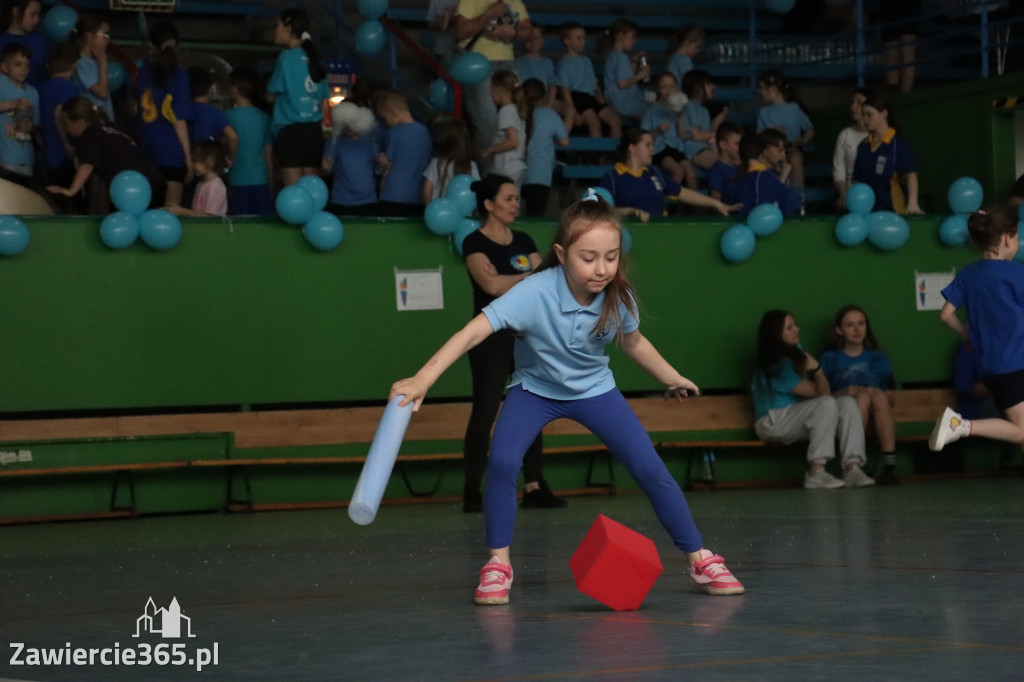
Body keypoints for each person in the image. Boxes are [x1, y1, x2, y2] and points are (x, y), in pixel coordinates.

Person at [390, 193, 744, 604]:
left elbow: (633, 343)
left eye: (611, 257)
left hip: (595, 391)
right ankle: (497, 565)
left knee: (651, 468)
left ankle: (700, 558)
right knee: (503, 461)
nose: (602, 269)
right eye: (589, 258)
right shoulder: (533, 291)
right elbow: (473, 332)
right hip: (534, 390)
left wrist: (672, 376)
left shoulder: (618, 295)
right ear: (561, 253)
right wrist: (422, 379)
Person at [456, 174, 567, 513]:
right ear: (488, 204)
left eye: (516, 198)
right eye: (507, 199)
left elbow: (546, 280)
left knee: (532, 407)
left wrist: (512, 280)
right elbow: (489, 286)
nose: (514, 204)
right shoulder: (474, 242)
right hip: (490, 337)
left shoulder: (523, 238)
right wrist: (524, 278)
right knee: (486, 409)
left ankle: (534, 486)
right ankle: (472, 491)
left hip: (525, 336)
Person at [930, 206, 1024, 452]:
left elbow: (946, 315)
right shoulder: (1018, 274)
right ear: (1006, 237)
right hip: (1015, 365)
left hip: (990, 368)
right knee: (1021, 430)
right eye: (1016, 237)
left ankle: (960, 426)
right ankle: (959, 426)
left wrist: (967, 335)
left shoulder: (968, 275)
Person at [751, 309, 874, 489]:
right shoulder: (776, 365)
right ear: (776, 334)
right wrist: (817, 369)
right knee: (826, 403)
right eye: (789, 327)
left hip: (796, 417)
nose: (797, 329)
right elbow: (821, 395)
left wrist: (821, 375)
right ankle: (816, 472)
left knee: (847, 403)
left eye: (795, 325)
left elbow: (822, 395)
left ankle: (853, 468)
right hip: (771, 422)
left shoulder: (796, 351)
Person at [820, 305, 898, 485]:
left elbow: (890, 398)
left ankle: (889, 466)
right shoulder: (829, 358)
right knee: (860, 398)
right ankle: (853, 465)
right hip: (843, 420)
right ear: (839, 330)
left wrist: (873, 392)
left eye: (861, 324)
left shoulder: (877, 358)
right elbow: (822, 399)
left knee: (875, 397)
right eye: (850, 325)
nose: (857, 330)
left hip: (878, 418)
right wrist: (846, 392)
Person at [46, 95, 165, 210]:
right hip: (153, 183)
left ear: (80, 123)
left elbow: (86, 166)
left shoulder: (90, 136)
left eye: (66, 124)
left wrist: (70, 191)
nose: (65, 128)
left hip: (139, 189)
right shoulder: (105, 130)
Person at [599, 127, 737, 222]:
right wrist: (628, 211)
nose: (652, 150)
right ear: (632, 148)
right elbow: (601, 211)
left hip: (659, 232)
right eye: (648, 145)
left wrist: (716, 203)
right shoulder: (613, 177)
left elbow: (682, 193)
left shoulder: (655, 173)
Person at [454, 0, 532, 158]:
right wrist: (489, 14)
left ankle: (510, 170)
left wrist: (512, 33)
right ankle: (485, 175)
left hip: (508, 61)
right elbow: (460, 32)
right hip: (478, 63)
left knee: (519, 116)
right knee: (487, 122)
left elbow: (529, 31)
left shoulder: (515, 2)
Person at [267, 8, 328, 187]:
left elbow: (271, 94)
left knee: (295, 193)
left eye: (277, 26)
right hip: (314, 132)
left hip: (291, 131)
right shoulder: (315, 58)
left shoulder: (285, 57)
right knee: (312, 190)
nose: (275, 31)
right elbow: (324, 98)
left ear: (288, 28)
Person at [135, 20, 192, 208]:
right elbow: (179, 119)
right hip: (171, 153)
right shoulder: (179, 76)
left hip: (146, 152)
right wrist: (188, 158)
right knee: (170, 214)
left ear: (151, 45)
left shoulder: (142, 73)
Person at [852, 91, 923, 215]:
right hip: (867, 215)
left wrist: (913, 203)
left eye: (869, 115)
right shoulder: (863, 146)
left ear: (883, 114)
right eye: (863, 115)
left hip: (893, 214)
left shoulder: (898, 144)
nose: (865, 120)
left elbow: (911, 175)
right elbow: (857, 181)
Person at [756, 69, 813, 202]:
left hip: (791, 148)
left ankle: (799, 198)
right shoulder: (763, 112)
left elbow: (810, 130)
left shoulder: (793, 108)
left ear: (774, 88)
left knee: (795, 158)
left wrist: (803, 141)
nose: (760, 92)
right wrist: (772, 133)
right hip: (771, 151)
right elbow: (759, 136)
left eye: (762, 88)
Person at [224, 66, 273, 216]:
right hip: (261, 180)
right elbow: (268, 156)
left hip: (236, 180)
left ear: (235, 89)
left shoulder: (226, 117)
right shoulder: (264, 117)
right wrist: (271, 185)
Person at [556, 22, 619, 138]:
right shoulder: (564, 62)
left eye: (584, 38)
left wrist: (599, 94)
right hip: (577, 97)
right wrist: (572, 108)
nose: (583, 42)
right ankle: (594, 155)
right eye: (579, 38)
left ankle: (615, 154)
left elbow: (593, 82)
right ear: (567, 41)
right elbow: (564, 88)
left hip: (590, 97)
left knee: (615, 120)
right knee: (595, 124)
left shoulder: (586, 60)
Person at [375, 90, 431, 216]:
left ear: (394, 113)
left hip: (393, 193)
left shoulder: (393, 133)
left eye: (385, 117)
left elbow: (389, 164)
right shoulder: (424, 131)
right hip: (417, 193)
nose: (385, 121)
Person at [520, 77, 567, 217]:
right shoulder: (549, 114)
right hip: (540, 175)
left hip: (516, 172)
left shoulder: (517, 113)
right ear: (544, 96)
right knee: (535, 221)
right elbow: (565, 141)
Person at [324, 101, 378, 216]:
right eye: (344, 124)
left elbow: (378, 166)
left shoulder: (371, 140)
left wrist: (382, 161)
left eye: (351, 122)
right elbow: (326, 169)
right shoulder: (334, 141)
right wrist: (326, 167)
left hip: (369, 201)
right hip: (341, 201)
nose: (348, 127)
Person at [39, 41, 80, 189]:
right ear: (73, 64)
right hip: (64, 155)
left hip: (48, 154)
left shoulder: (44, 88)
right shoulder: (70, 87)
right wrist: (67, 144)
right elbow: (59, 113)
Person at [640, 72, 690, 190]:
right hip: (660, 151)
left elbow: (683, 136)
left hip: (677, 149)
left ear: (676, 89)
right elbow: (643, 137)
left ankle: (691, 207)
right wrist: (658, 130)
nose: (668, 90)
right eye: (664, 87)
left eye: (671, 86)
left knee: (691, 175)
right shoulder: (651, 111)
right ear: (658, 89)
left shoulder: (679, 111)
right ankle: (667, 205)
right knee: (678, 172)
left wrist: (680, 118)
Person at [735, 130, 800, 219]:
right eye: (779, 151)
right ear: (764, 151)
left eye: (785, 151)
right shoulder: (756, 176)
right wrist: (783, 176)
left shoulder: (774, 174)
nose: (783, 155)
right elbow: (768, 206)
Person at [680, 69, 727, 189]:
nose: (713, 86)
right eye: (708, 83)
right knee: (723, 165)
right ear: (697, 87)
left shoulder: (703, 110)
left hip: (705, 148)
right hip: (694, 151)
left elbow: (707, 133)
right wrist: (717, 134)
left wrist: (718, 120)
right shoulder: (689, 107)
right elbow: (696, 135)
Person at [479, 70, 526, 189]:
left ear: (498, 89)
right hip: (516, 166)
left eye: (492, 90)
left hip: (506, 167)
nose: (490, 94)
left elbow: (513, 141)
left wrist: (489, 150)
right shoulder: (516, 110)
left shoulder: (506, 111)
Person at [0, 42, 38, 176]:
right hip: (5, 159)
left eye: (27, 65)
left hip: (26, 160)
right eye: (18, 64)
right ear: (4, 67)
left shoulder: (32, 92)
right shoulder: (2, 83)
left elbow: (35, 126)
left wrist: (29, 127)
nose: (24, 69)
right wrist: (14, 104)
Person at [187, 66, 238, 163]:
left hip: (191, 160)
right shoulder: (215, 112)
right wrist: (230, 158)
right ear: (210, 89)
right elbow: (233, 137)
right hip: (210, 163)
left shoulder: (185, 112)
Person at [423, 118, 479, 204]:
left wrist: (428, 209)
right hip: (463, 213)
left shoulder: (436, 163)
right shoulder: (470, 165)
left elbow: (427, 192)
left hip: (438, 212)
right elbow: (477, 190)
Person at [602, 19, 648, 121]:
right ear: (620, 36)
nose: (634, 41)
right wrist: (641, 75)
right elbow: (622, 84)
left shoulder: (613, 55)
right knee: (656, 111)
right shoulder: (621, 57)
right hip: (623, 103)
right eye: (632, 37)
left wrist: (633, 62)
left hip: (615, 101)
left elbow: (625, 77)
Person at [166, 140, 227, 217]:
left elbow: (210, 217)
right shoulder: (201, 184)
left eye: (196, 161)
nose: (192, 166)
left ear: (210, 161)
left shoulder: (215, 186)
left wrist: (183, 212)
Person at [832, 89, 869, 211]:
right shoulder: (845, 134)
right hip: (852, 193)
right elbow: (839, 169)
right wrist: (843, 195)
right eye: (852, 102)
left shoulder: (878, 134)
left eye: (859, 103)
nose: (853, 106)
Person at [71, 14, 111, 119]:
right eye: (104, 35)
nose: (107, 39)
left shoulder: (94, 61)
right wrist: (103, 62)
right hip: (93, 122)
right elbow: (102, 93)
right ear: (89, 36)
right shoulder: (81, 63)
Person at [0, 0, 48, 88]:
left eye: (38, 15)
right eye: (33, 14)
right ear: (16, 12)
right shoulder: (2, 41)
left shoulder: (40, 40)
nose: (37, 20)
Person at [514, 24, 557, 108]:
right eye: (529, 38)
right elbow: (515, 85)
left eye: (536, 38)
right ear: (522, 40)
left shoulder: (547, 63)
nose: (533, 41)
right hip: (525, 101)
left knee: (568, 109)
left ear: (543, 41)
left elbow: (552, 86)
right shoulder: (517, 62)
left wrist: (548, 104)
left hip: (544, 101)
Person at [707, 120, 742, 205]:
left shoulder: (742, 167)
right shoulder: (717, 171)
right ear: (723, 145)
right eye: (736, 144)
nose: (740, 147)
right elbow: (715, 202)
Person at [665, 25, 703, 89]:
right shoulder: (684, 60)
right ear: (686, 42)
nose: (698, 50)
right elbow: (690, 87)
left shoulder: (672, 58)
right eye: (696, 47)